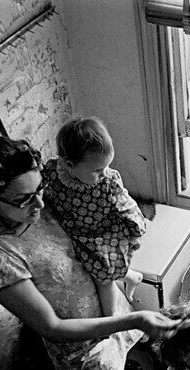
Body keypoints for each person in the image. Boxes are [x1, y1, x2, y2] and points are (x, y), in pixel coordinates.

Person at [0, 135, 178, 370]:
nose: (40, 204)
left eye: (40, 188)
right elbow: (51, 327)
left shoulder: (41, 205)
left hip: (110, 311)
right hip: (81, 351)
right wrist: (133, 319)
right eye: (24, 200)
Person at [42, 117, 146, 317]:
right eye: (97, 170)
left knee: (103, 278)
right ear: (69, 165)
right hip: (75, 229)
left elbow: (126, 206)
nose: (104, 172)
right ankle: (131, 277)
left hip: (103, 231)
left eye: (107, 165)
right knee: (96, 268)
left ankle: (111, 317)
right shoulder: (53, 171)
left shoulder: (108, 182)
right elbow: (40, 186)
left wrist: (136, 228)